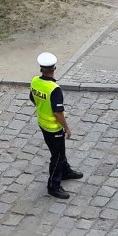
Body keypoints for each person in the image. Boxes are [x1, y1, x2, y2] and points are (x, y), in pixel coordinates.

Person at [30, 52, 83, 199]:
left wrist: (41, 108)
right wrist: (66, 127)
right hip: (54, 128)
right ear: (54, 68)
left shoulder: (35, 81)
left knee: (60, 151)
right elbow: (58, 112)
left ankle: (65, 171)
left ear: (41, 68)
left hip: (42, 123)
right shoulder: (54, 89)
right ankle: (53, 185)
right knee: (57, 156)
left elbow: (32, 97)